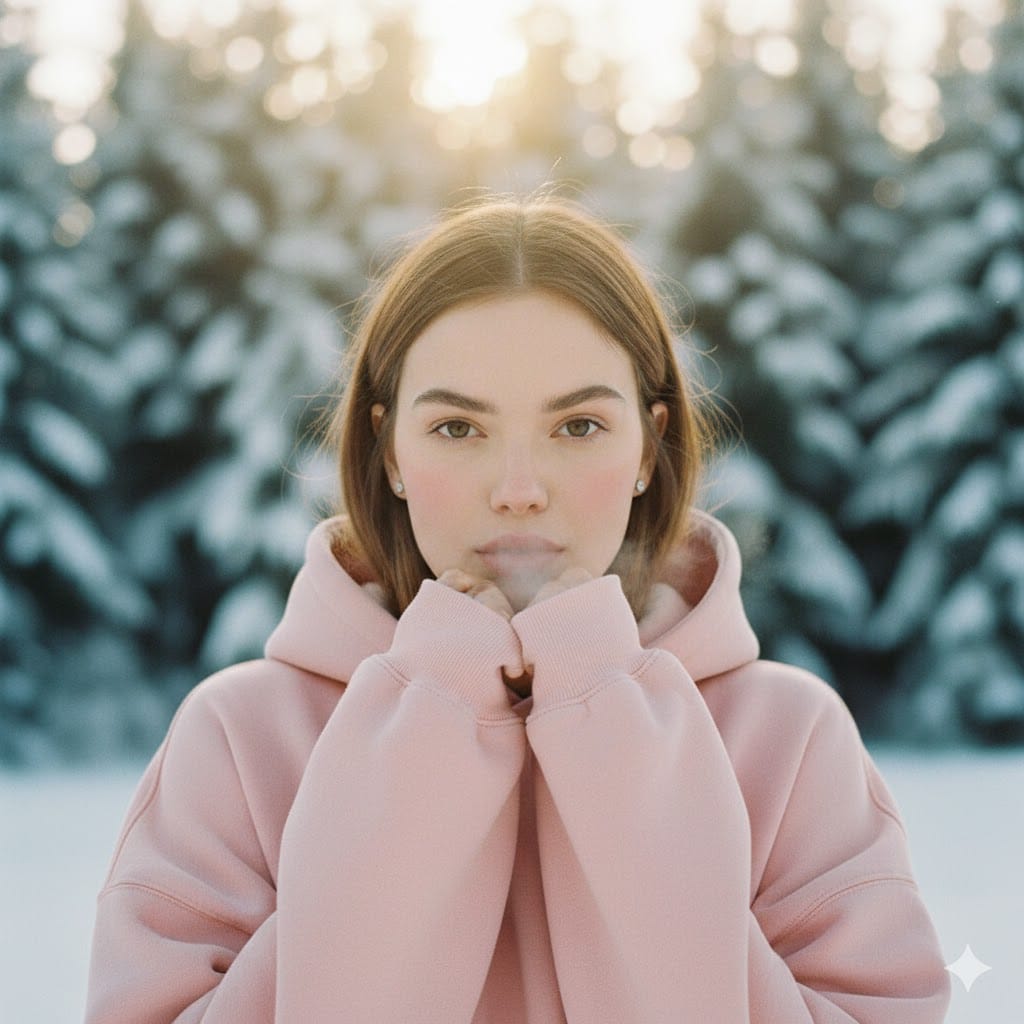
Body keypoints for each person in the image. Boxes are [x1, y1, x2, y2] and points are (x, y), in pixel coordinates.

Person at [84, 194, 951, 1022]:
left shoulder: (788, 740)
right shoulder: (241, 739)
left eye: (578, 427)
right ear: (388, 451)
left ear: (650, 446)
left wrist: (616, 742)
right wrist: (425, 733)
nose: (519, 491)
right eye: (458, 429)